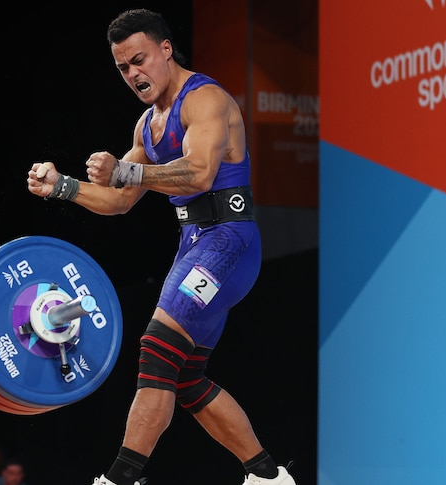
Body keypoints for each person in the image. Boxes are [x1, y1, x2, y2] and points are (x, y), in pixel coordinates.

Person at [26, 8, 295, 485]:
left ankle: (119, 479)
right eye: (123, 68)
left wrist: (127, 171)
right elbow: (118, 201)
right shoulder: (147, 126)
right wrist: (62, 187)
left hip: (229, 242)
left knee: (156, 350)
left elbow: (198, 173)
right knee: (187, 378)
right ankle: (269, 476)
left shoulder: (205, 100)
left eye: (140, 59)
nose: (134, 74)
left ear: (165, 50)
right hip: (195, 244)